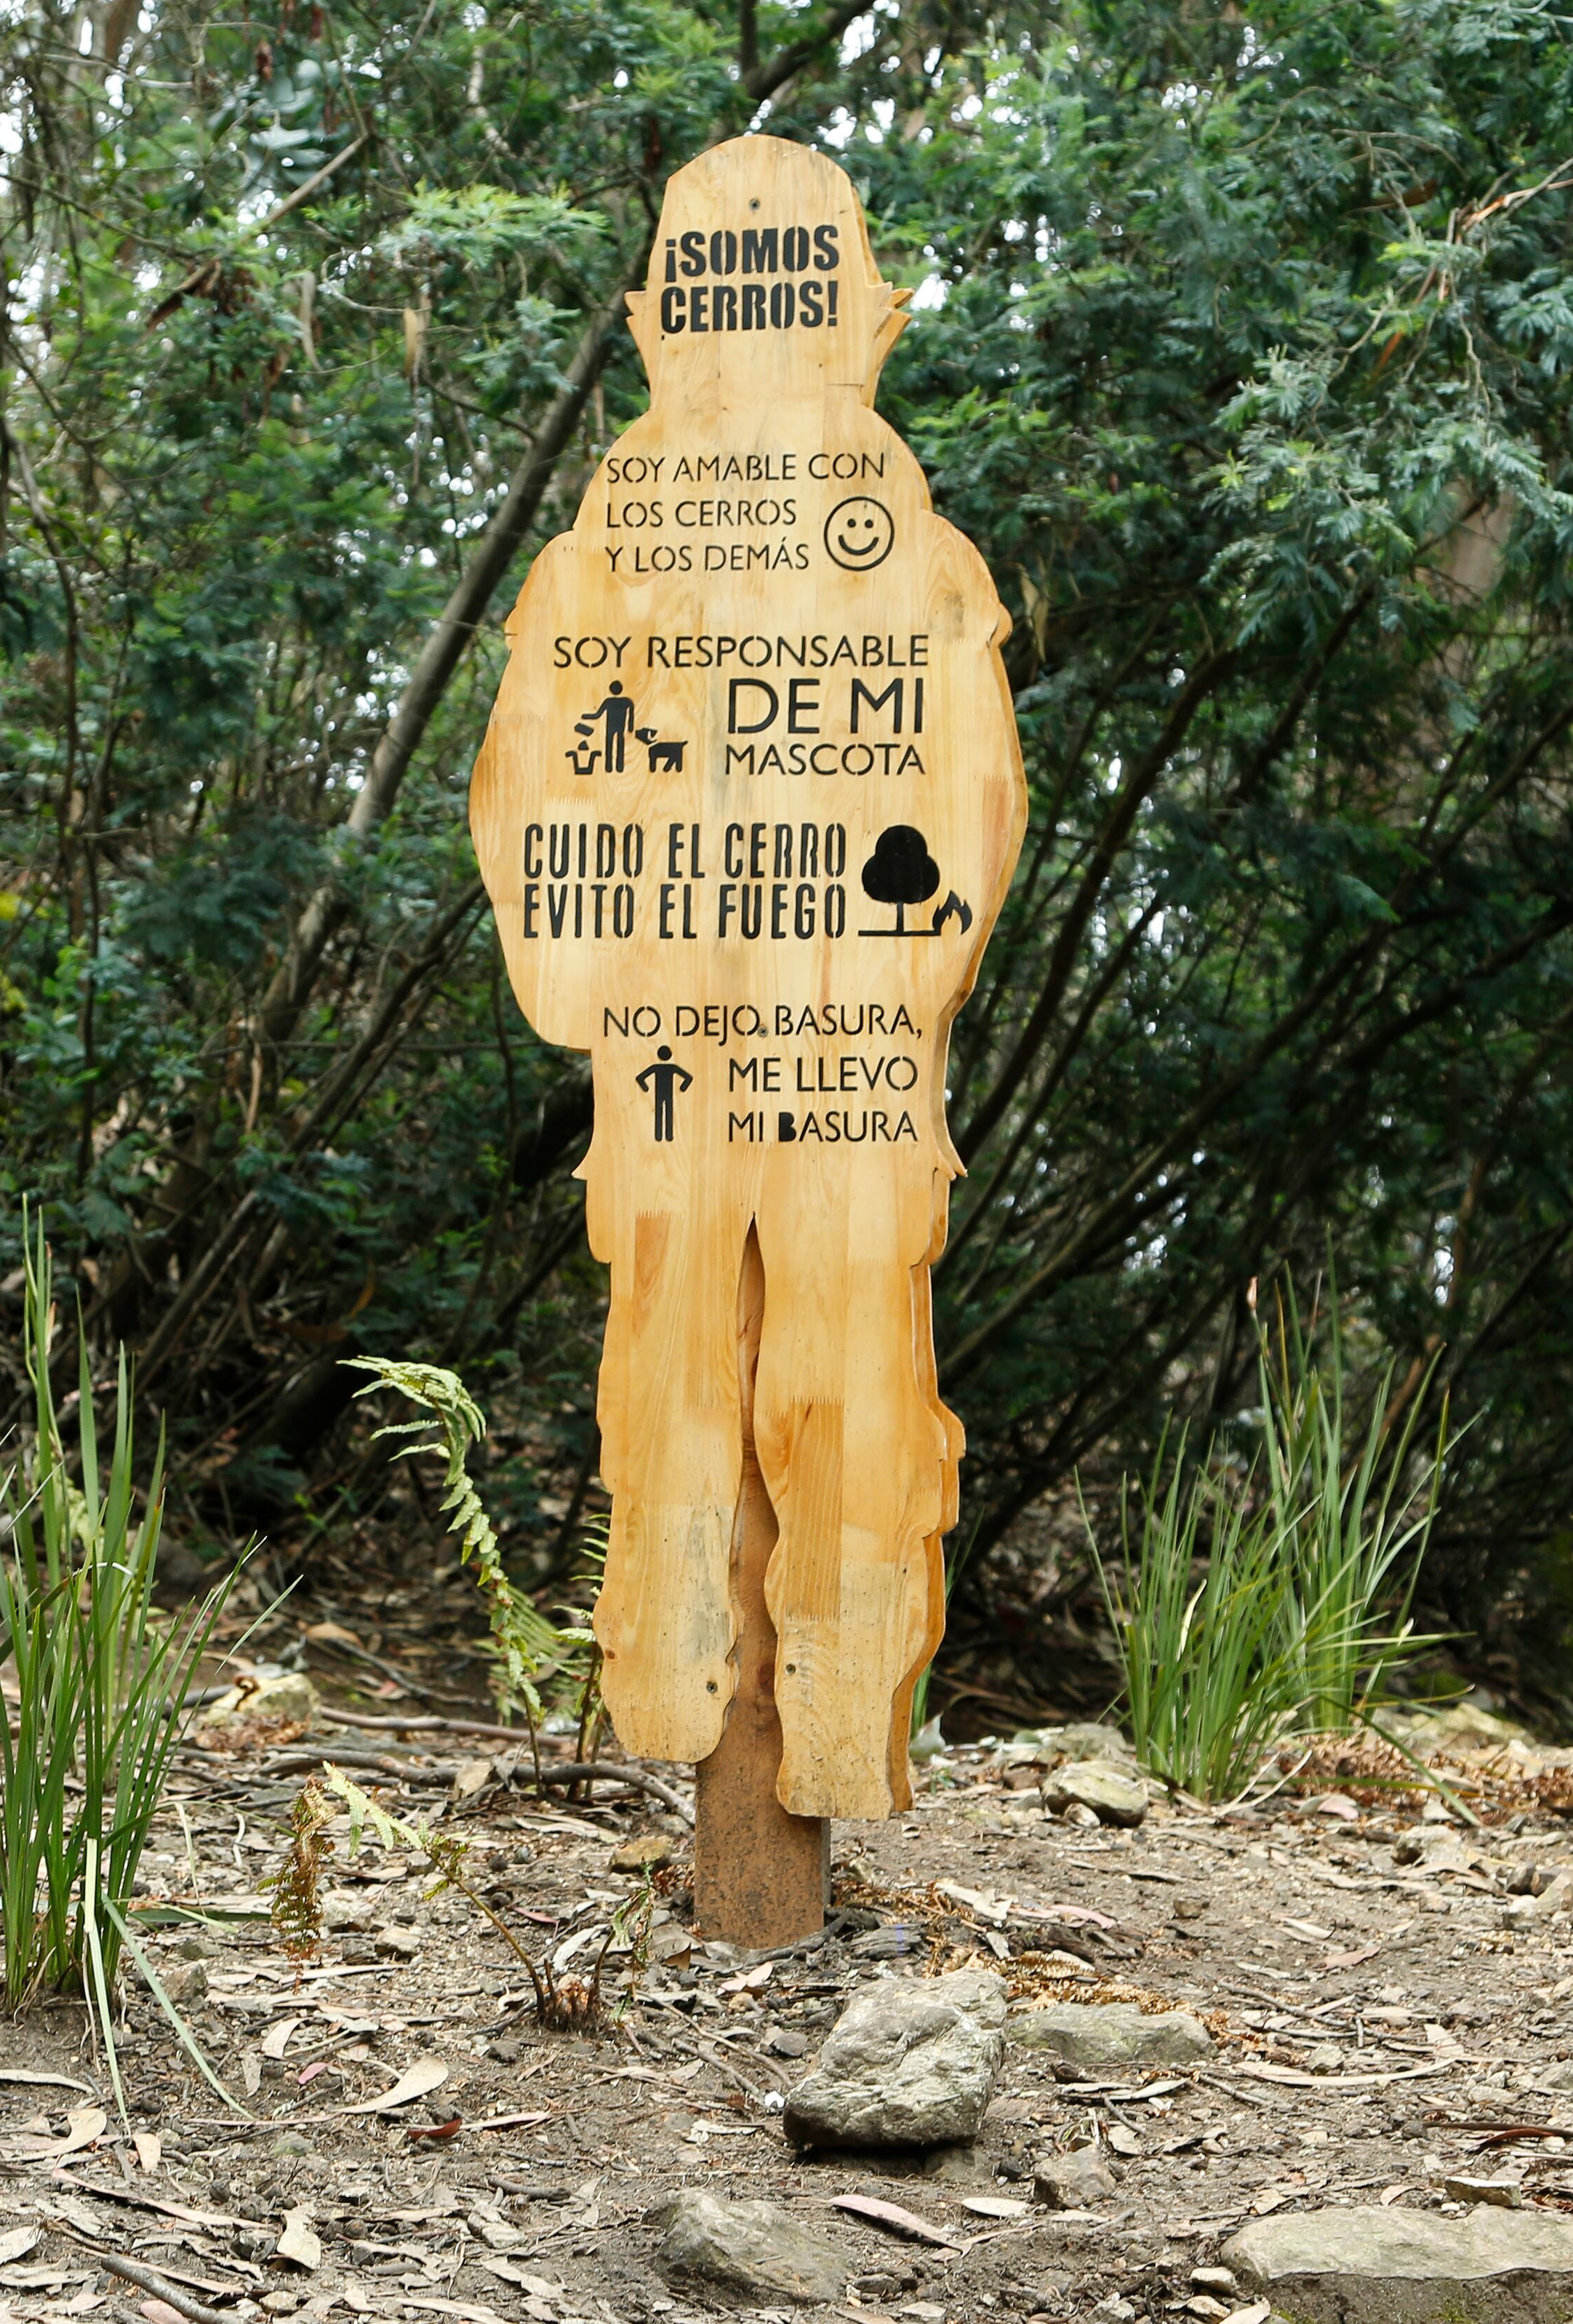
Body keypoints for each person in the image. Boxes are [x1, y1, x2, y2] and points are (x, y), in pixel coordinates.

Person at [467, 135, 1028, 1822]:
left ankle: (842, 1729)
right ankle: (669, 1681)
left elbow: (966, 800)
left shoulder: (914, 562)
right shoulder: (601, 561)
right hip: (675, 1073)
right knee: (672, 1372)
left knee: (851, 1381)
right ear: (657, 327)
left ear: (864, 321)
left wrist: (892, 974)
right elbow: (536, 798)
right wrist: (621, 969)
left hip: (850, 1060)